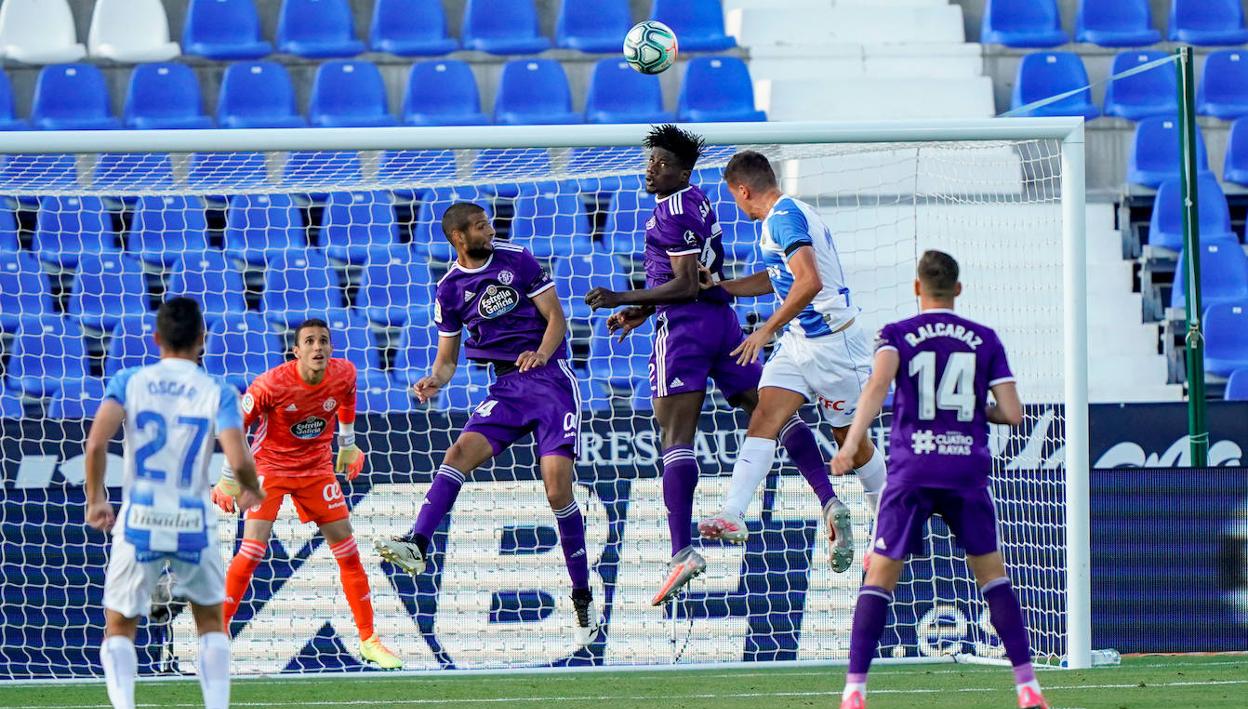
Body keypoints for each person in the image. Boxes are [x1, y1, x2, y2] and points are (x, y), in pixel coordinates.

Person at [587, 125, 844, 605]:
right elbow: (691, 275)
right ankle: (828, 498)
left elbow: (684, 285)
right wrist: (643, 309)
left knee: (675, 437)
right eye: (650, 162)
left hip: (684, 331)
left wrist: (621, 295)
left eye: (660, 164)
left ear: (682, 170)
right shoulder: (698, 200)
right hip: (722, 323)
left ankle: (682, 551)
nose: (651, 170)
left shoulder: (670, 213)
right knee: (771, 415)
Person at [828, 250, 1055, 709]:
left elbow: (877, 385)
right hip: (964, 471)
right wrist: (975, 410)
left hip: (911, 471)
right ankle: (1028, 686)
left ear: (917, 289)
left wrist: (851, 444)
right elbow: (1013, 414)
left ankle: (854, 693)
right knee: (993, 578)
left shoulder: (896, 335)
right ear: (958, 290)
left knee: (879, 579)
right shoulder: (985, 339)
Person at [374, 202, 600, 646]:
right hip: (506, 389)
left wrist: (541, 352)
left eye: (487, 222)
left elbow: (556, 317)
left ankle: (582, 592)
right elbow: (447, 359)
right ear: (458, 238)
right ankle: (418, 543)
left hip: (551, 381)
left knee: (557, 491)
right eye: (479, 226)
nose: (489, 229)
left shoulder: (518, 259)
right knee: (456, 453)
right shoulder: (450, 289)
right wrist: (432, 381)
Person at [86, 297, 263, 709]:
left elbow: (97, 441)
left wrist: (96, 499)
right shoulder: (217, 389)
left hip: (141, 518)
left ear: (156, 340)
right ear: (202, 340)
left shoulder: (130, 381)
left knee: (119, 625)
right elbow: (239, 456)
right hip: (193, 519)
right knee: (210, 622)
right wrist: (251, 492)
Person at [696, 150, 886, 572]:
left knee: (849, 444)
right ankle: (732, 511)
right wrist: (725, 288)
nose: (737, 205)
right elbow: (777, 276)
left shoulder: (783, 218)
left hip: (836, 346)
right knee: (766, 413)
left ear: (743, 191)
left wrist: (765, 330)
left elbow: (809, 281)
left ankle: (888, 522)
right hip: (801, 341)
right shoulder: (779, 220)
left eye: (734, 197)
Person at [212, 319, 402, 670]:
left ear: (331, 348)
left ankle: (369, 640)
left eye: (324, 341)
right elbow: (235, 425)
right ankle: (216, 634)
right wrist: (228, 479)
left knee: (348, 552)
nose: (318, 347)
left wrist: (346, 444)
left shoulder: (343, 373)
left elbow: (347, 397)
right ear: (296, 351)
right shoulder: (271, 384)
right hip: (269, 469)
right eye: (310, 342)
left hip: (316, 470)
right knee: (252, 550)